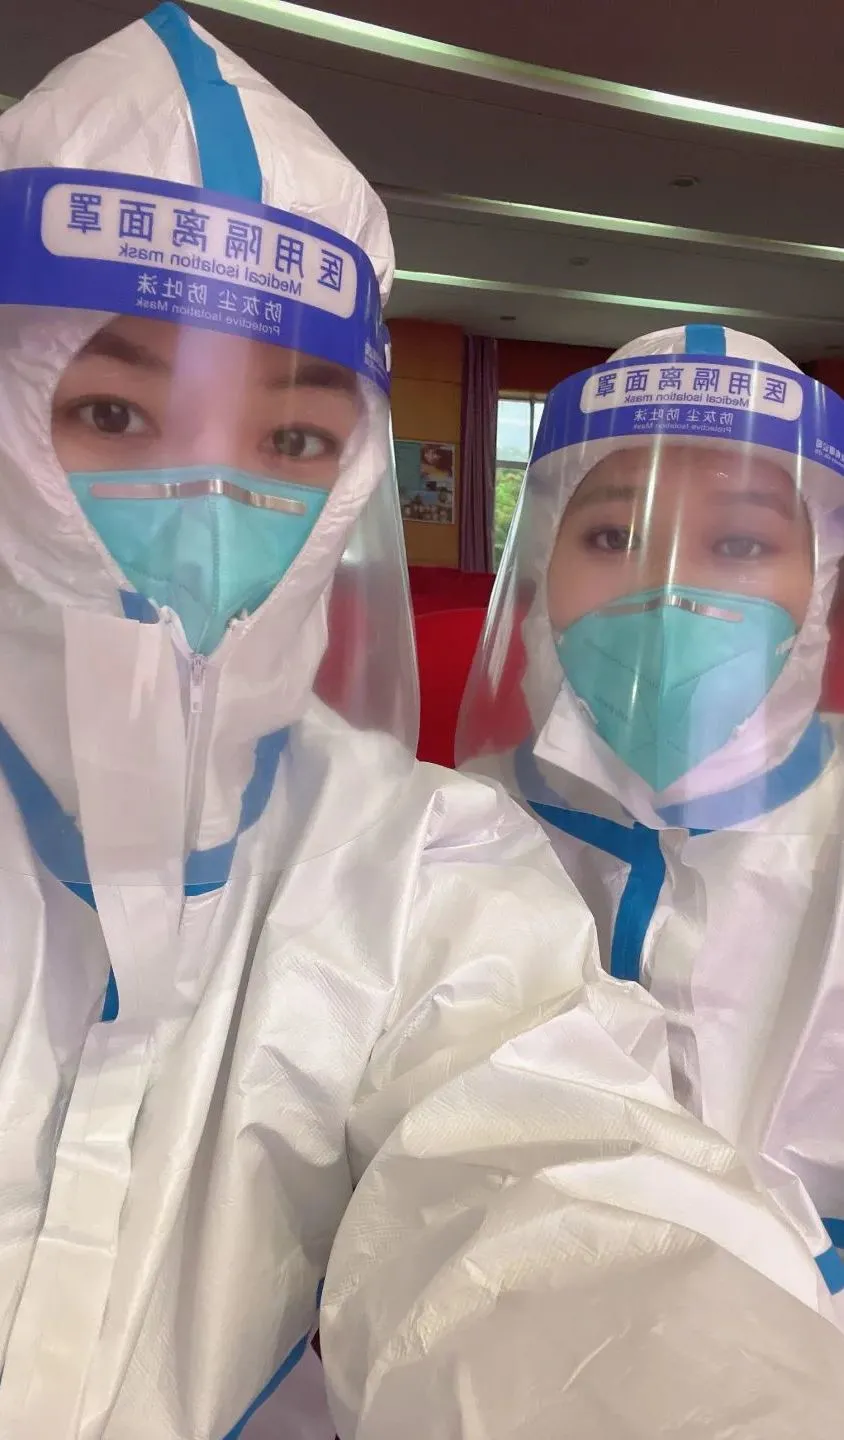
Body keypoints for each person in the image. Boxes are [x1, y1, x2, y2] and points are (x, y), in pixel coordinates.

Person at [1, 10, 844, 1435]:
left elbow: (554, 1205)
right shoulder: (500, 808)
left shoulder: (421, 863)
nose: (211, 512)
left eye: (292, 441)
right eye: (115, 415)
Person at [457, 322, 844, 1308]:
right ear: (541, 566)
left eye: (741, 543)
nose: (671, 591)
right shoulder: (454, 833)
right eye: (612, 538)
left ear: (822, 582)